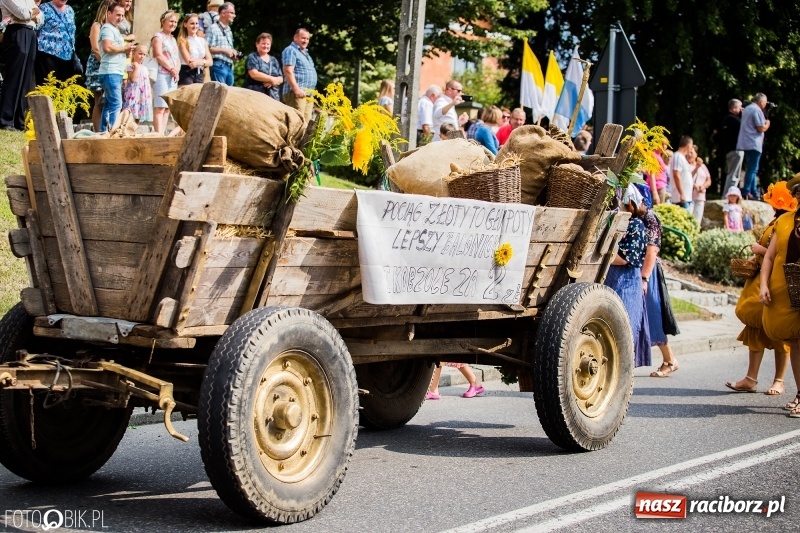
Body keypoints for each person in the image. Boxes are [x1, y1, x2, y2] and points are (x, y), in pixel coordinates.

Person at [725, 181, 794, 395]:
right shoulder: (777, 221)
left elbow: (782, 254)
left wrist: (760, 250)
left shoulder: (789, 224)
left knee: (779, 332)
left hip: (778, 283)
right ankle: (750, 378)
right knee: (755, 329)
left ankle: (779, 380)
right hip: (761, 283)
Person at [759, 175, 800, 417]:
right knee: (795, 341)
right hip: (784, 289)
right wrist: (763, 285)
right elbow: (769, 257)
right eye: (798, 193)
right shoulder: (783, 222)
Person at [605, 185, 651, 367]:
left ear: (628, 203)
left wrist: (600, 256)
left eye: (619, 201)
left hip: (626, 284)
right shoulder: (615, 222)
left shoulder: (636, 225)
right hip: (611, 281)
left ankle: (621, 373)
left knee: (624, 331)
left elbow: (624, 258)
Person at [640, 199, 680, 377]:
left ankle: (670, 360)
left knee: (653, 314)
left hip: (648, 271)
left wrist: (644, 277)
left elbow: (652, 250)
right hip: (636, 269)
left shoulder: (650, 218)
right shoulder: (636, 215)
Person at [0, 0, 43, 131]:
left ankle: (19, 120)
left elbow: (41, 18)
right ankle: (6, 119)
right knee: (14, 76)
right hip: (16, 32)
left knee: (26, 79)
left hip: (31, 33)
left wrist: (33, 13)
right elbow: (23, 14)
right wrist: (33, 12)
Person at [98, 2, 135, 132]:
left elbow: (117, 50)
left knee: (109, 105)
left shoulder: (115, 30)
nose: (120, 18)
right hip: (110, 72)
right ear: (109, 14)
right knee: (116, 104)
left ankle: (104, 131)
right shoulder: (107, 28)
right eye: (117, 15)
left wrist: (126, 52)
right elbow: (107, 47)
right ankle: (114, 131)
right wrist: (124, 48)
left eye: (123, 15)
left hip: (116, 72)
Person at [34, 0, 78, 85]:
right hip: (47, 55)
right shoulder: (44, 8)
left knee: (64, 89)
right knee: (47, 86)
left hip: (67, 56)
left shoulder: (70, 10)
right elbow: (36, 29)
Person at [737, 93, 771, 200]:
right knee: (752, 169)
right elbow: (761, 128)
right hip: (753, 143)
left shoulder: (747, 109)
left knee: (751, 168)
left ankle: (753, 192)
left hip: (745, 142)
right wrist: (767, 124)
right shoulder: (756, 110)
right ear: (761, 102)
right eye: (765, 102)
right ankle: (747, 190)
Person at [151, 10, 179, 134]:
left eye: (175, 22)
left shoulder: (173, 39)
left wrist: (176, 70)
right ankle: (158, 134)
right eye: (171, 21)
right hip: (162, 74)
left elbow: (177, 57)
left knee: (167, 108)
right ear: (163, 21)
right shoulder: (158, 37)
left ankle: (162, 133)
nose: (173, 24)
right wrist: (172, 69)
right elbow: (158, 55)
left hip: (172, 76)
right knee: (160, 107)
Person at [85, 0, 111, 132]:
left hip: (109, 66)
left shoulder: (112, 28)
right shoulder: (97, 26)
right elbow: (95, 48)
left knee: (109, 99)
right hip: (97, 65)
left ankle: (106, 128)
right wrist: (105, 62)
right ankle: (98, 130)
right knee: (99, 100)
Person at [281, 27, 317, 122]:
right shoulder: (291, 50)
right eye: (303, 38)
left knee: (305, 124)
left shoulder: (305, 53)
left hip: (308, 94)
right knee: (297, 123)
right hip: (296, 93)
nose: (305, 41)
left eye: (307, 39)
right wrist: (296, 89)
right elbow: (288, 70)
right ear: (295, 37)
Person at [206, 2, 238, 86]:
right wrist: (225, 50)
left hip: (230, 66)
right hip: (218, 65)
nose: (234, 15)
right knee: (219, 93)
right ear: (223, 13)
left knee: (228, 95)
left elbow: (228, 48)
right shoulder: (213, 28)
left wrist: (233, 53)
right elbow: (208, 48)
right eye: (232, 13)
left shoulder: (229, 30)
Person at [243, 32, 282, 99]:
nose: (266, 46)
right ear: (257, 44)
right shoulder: (252, 57)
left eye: (268, 44)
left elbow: (281, 78)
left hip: (273, 97)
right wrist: (271, 79)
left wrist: (273, 82)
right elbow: (254, 74)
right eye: (263, 43)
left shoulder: (274, 60)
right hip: (255, 95)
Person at [177, 13, 212, 87]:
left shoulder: (202, 41)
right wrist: (204, 62)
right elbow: (190, 62)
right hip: (186, 73)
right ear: (185, 24)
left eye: (196, 23)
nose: (195, 26)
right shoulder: (182, 41)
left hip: (200, 73)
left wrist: (199, 62)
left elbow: (210, 61)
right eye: (192, 23)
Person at [121, 43, 152, 124]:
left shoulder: (145, 68)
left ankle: (134, 129)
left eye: (144, 54)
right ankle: (125, 128)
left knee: (138, 114)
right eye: (140, 53)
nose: (142, 56)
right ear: (134, 53)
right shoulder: (131, 66)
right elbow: (133, 79)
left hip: (142, 95)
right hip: (133, 94)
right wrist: (136, 68)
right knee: (130, 113)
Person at [721, 98, 744, 195]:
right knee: (734, 175)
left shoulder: (725, 119)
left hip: (729, 150)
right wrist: (744, 115)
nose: (741, 109)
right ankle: (729, 195)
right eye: (740, 107)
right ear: (734, 108)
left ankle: (728, 194)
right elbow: (744, 125)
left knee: (731, 174)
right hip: (736, 150)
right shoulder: (733, 119)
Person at [668, 135, 694, 210]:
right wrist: (682, 194)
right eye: (691, 145)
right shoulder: (677, 156)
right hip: (680, 199)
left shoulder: (682, 158)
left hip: (686, 198)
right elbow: (676, 175)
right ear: (688, 145)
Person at [691, 147, 712, 224]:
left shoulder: (703, 166)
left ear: (696, 154)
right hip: (690, 197)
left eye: (692, 153)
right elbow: (687, 178)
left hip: (700, 196)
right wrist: (694, 185)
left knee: (697, 221)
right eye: (689, 152)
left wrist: (702, 186)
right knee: (689, 218)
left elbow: (708, 180)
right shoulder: (686, 165)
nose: (690, 155)